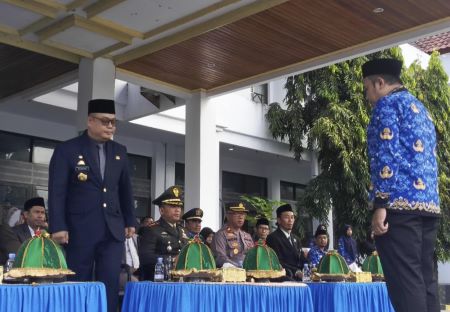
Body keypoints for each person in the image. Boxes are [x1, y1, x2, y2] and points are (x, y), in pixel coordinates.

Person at [363, 58, 440, 312]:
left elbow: (386, 154)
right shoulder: (420, 109)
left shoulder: (387, 106)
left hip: (399, 207)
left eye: (367, 89)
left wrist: (381, 203)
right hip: (428, 208)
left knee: (405, 283)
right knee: (425, 281)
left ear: (380, 83)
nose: (367, 96)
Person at [48, 99, 136, 312]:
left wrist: (130, 221)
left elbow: (125, 189)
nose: (110, 127)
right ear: (90, 121)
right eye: (105, 121)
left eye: (114, 123)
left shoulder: (119, 151)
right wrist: (58, 226)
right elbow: (57, 191)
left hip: (113, 228)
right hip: (80, 228)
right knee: (79, 280)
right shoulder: (67, 149)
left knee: (110, 283)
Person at [138, 186, 188, 280]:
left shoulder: (183, 230)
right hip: (159, 280)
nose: (178, 210)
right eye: (173, 206)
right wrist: (172, 260)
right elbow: (146, 257)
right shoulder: (151, 230)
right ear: (161, 210)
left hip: (182, 278)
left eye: (179, 206)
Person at [266, 204, 307, 280]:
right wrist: (296, 271)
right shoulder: (273, 238)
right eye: (286, 217)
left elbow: (302, 259)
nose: (290, 220)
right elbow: (277, 262)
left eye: (292, 217)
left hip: (301, 276)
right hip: (285, 276)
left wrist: (311, 266)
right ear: (279, 220)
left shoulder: (296, 239)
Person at [211, 202, 254, 268]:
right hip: (231, 274)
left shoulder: (247, 236)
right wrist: (238, 267)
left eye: (243, 214)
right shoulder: (220, 235)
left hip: (250, 273)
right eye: (237, 213)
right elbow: (220, 258)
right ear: (228, 215)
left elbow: (253, 255)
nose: (241, 217)